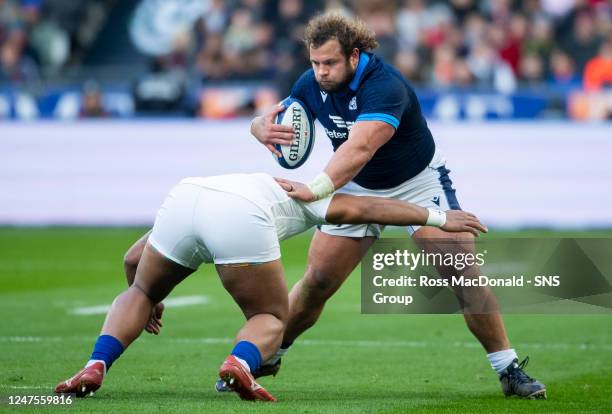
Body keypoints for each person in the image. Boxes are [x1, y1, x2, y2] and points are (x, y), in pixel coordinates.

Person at [247, 13, 546, 399]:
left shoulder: (385, 86)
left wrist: (317, 189)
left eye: (330, 63)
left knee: (461, 273)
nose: (320, 72)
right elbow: (280, 114)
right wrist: (257, 126)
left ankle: (508, 370)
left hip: (416, 182)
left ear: (354, 56)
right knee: (319, 280)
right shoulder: (310, 83)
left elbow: (360, 148)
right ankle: (271, 353)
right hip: (355, 183)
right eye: (315, 63)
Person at [55, 173, 486, 402]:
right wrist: (436, 217)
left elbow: (132, 260)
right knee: (271, 318)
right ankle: (240, 363)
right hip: (241, 215)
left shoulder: (229, 181)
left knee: (139, 293)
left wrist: (152, 298)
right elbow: (367, 206)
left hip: (184, 197)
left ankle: (96, 364)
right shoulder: (309, 195)